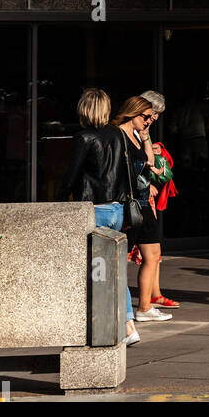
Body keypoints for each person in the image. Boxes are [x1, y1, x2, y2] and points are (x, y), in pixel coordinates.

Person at [57, 87, 138, 346]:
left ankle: (103, 328)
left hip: (95, 210)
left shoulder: (83, 138)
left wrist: (58, 203)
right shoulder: (118, 135)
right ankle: (128, 324)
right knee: (114, 270)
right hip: (116, 208)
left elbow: (71, 176)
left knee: (95, 273)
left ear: (84, 109)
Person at [110, 96, 172, 324]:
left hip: (143, 202)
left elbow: (150, 160)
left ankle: (144, 307)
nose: (149, 121)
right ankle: (122, 309)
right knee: (120, 256)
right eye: (146, 117)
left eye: (151, 117)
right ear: (133, 113)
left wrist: (145, 139)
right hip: (130, 203)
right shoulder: (119, 135)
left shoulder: (138, 135)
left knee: (153, 255)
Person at [138, 90, 179, 309]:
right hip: (139, 196)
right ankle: (146, 304)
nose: (154, 118)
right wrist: (148, 182)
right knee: (149, 252)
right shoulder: (135, 130)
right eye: (153, 113)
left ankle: (154, 294)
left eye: (156, 115)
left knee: (153, 251)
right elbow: (142, 160)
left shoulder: (144, 130)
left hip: (144, 194)